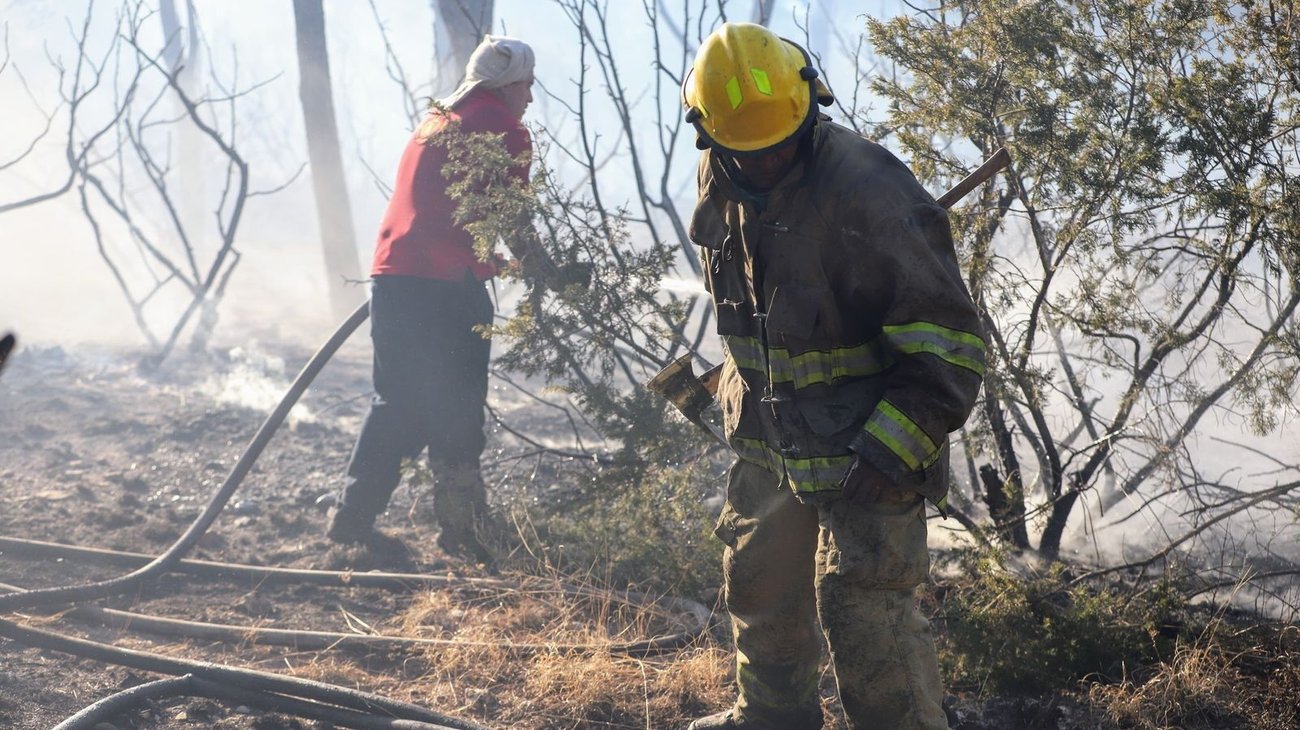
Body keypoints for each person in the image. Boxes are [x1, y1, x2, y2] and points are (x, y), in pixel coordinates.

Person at [681, 23, 987, 730]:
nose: (764, 165)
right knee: (760, 588)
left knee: (866, 613)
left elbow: (949, 344)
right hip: (769, 435)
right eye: (744, 152)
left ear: (811, 108)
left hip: (870, 447)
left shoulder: (870, 189)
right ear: (709, 134)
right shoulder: (722, 166)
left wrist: (892, 450)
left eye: (780, 146)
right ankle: (772, 719)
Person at [326, 35, 558, 563]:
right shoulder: (505, 128)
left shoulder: (436, 121)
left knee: (396, 403)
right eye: (528, 84)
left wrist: (494, 263)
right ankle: (464, 530)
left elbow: (439, 214)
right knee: (455, 407)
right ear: (508, 84)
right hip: (446, 293)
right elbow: (513, 217)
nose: (531, 96)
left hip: (395, 279)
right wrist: (546, 270)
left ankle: (351, 522)